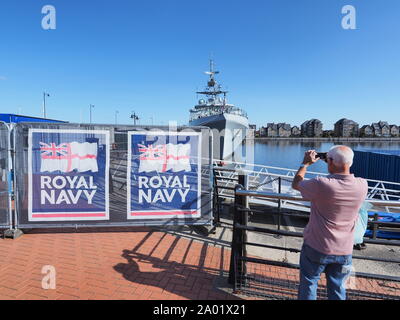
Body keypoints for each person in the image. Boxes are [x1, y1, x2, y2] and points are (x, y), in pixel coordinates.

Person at [292, 146, 368, 300]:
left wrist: (305, 164)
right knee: (338, 288)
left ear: (331, 161)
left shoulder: (321, 184)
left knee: (309, 283)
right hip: (345, 250)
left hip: (317, 246)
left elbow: (296, 184)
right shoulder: (362, 185)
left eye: (328, 160)